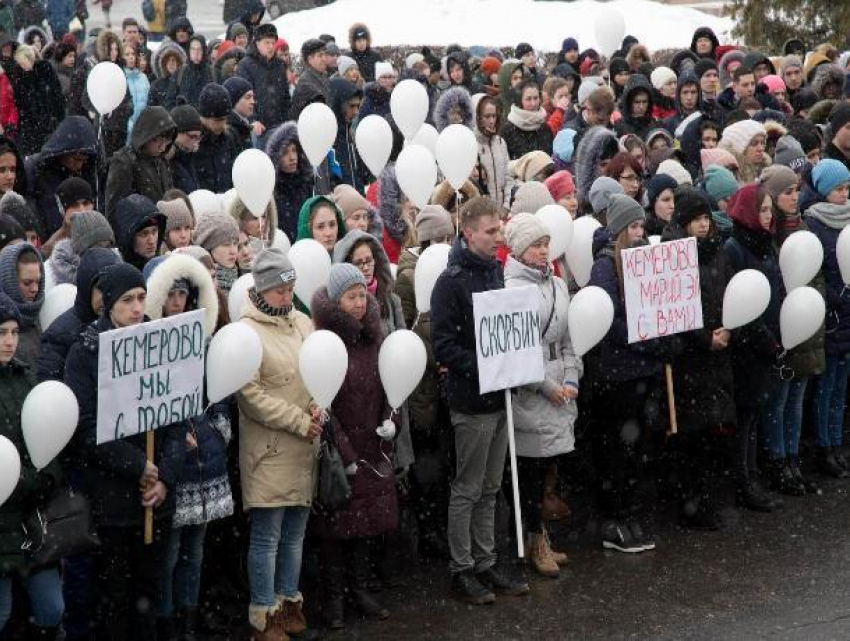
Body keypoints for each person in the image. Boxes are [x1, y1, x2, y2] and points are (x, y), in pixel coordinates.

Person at [64, 262, 185, 641]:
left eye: (142, 298)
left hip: (154, 504)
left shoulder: (159, 342)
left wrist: (164, 476)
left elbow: (177, 416)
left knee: (149, 595)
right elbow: (85, 427)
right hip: (111, 505)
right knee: (113, 601)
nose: (138, 308)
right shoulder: (85, 352)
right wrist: (138, 467)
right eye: (128, 300)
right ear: (109, 304)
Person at [431, 196, 529, 604]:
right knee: (468, 488)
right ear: (468, 232)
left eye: (499, 229)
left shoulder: (495, 271)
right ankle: (462, 568)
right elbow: (444, 346)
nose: (498, 236)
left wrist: (514, 362)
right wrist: (486, 364)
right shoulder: (450, 282)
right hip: (471, 401)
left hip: (498, 396)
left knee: (490, 487)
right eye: (491, 231)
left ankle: (486, 562)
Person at [142, 253, 231, 640]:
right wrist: (173, 442)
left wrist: (215, 430)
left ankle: (188, 621)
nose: (177, 301)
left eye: (184, 293)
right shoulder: (147, 344)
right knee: (169, 554)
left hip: (205, 455)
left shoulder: (202, 338)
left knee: (194, 551)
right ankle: (167, 622)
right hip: (170, 460)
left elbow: (218, 390)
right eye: (171, 293)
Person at [232, 248, 318, 639]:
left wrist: (319, 408)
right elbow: (251, 397)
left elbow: (320, 370)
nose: (288, 296)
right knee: (268, 536)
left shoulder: (303, 323)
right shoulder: (247, 333)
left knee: (295, 533)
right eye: (281, 290)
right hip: (269, 449)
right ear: (264, 290)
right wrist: (300, 420)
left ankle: (288, 603)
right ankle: (263, 613)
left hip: (303, 448)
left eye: (292, 288)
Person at [311, 263, 399, 628]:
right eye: (351, 296)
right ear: (336, 300)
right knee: (335, 528)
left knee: (363, 524)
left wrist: (389, 421)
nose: (360, 303)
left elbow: (388, 382)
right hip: (338, 449)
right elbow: (324, 402)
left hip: (370, 444)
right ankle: (334, 597)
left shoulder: (373, 337)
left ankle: (360, 589)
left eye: (363, 295)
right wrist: (344, 452)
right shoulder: (324, 341)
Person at [503, 213, 580, 576]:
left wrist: (572, 377)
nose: (543, 250)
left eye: (546, 242)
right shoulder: (510, 290)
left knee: (549, 467)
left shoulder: (558, 285)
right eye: (536, 244)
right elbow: (517, 350)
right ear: (519, 251)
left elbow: (568, 340)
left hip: (560, 384)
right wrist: (548, 387)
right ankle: (534, 541)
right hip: (530, 391)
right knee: (530, 475)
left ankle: (542, 536)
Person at [588, 194, 665, 552]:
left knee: (640, 448)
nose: (639, 232)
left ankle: (630, 512)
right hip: (619, 374)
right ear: (619, 229)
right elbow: (610, 321)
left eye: (641, 226)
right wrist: (645, 340)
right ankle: (613, 518)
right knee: (617, 450)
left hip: (645, 369)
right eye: (632, 226)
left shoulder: (645, 261)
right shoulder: (605, 267)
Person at [661, 188, 736, 529]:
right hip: (689, 357)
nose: (704, 225)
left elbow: (726, 294)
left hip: (716, 350)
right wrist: (705, 338)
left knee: (710, 432)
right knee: (690, 435)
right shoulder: (672, 253)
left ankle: (706, 499)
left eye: (706, 218)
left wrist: (726, 329)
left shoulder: (716, 251)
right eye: (697, 219)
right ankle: (690, 503)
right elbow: (678, 307)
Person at [0, 291, 64, 639]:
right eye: (1, 333)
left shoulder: (26, 378)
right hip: (3, 519)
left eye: (13, 332)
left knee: (52, 609)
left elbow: (48, 436)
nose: (10, 341)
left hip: (30, 521)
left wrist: (46, 475)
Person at [758, 166, 823, 494]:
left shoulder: (805, 228)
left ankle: (793, 459)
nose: (795, 196)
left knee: (796, 397)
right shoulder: (769, 236)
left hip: (803, 325)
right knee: (779, 400)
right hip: (779, 329)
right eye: (787, 191)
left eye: (797, 190)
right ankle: (777, 461)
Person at [724, 183, 783, 511]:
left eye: (769, 209)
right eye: (762, 209)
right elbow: (743, 306)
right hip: (748, 349)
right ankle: (744, 482)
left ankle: (753, 476)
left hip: (767, 344)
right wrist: (766, 340)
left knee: (756, 416)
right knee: (745, 419)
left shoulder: (766, 245)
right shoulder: (735, 248)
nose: (768, 215)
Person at [804, 159, 850, 479]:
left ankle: (836, 443)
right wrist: (837, 298)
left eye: (847, 188)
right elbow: (815, 273)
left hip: (848, 314)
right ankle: (824, 447)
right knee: (826, 386)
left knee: (840, 388)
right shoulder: (813, 224)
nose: (843, 194)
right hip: (832, 315)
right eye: (838, 189)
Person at [38, 245, 119, 383]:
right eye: (100, 289)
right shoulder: (59, 336)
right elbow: (51, 389)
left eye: (113, 288)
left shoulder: (126, 321)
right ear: (86, 287)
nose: (107, 296)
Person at [24, 116, 97, 239]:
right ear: (64, 152)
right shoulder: (35, 169)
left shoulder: (87, 171)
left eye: (84, 161)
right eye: (76, 159)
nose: (79, 165)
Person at [106, 106, 177, 222]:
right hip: (138, 231)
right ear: (145, 136)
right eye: (156, 140)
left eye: (167, 141)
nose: (162, 147)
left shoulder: (162, 160)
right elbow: (115, 210)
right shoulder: (124, 162)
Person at [237, 24, 290, 149]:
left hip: (279, 126)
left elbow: (285, 97)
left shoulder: (279, 65)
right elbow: (243, 97)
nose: (271, 47)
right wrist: (252, 120)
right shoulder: (246, 65)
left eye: (273, 43)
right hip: (258, 128)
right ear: (257, 43)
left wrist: (287, 121)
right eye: (267, 43)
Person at [8, 44, 66, 157]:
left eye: (22, 62)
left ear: (30, 58)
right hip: (29, 129)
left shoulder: (45, 69)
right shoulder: (19, 76)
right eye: (19, 63)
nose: (21, 65)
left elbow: (57, 96)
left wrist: (57, 118)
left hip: (48, 124)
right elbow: (20, 103)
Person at [266, 122, 314, 242]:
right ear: (276, 157)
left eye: (294, 150)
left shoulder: (306, 183)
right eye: (285, 152)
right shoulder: (271, 189)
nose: (292, 157)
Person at [0, 242, 44, 367]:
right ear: (9, 281)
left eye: (38, 282)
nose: (35, 289)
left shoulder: (42, 313)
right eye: (27, 283)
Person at [195, 83, 242, 193]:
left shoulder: (230, 138)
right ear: (204, 117)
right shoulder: (194, 143)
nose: (222, 124)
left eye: (225, 119)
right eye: (217, 120)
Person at [475, 95, 514, 211]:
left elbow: (508, 176)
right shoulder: (471, 144)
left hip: (502, 210)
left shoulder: (501, 143)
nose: (492, 121)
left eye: (494, 116)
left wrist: (506, 206)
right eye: (487, 116)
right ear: (478, 118)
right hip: (482, 212)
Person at [499, 78, 554, 160]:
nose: (533, 103)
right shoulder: (507, 130)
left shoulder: (545, 128)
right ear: (520, 101)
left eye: (536, 98)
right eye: (528, 99)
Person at [40, 176, 94, 258]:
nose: (82, 210)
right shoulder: (53, 247)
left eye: (86, 203)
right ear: (62, 210)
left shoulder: (105, 234)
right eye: (74, 205)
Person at [329, 77, 367, 190]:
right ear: (337, 104)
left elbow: (359, 176)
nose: (356, 112)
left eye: (358, 106)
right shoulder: (328, 139)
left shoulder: (350, 136)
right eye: (351, 106)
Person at [114, 194, 166, 271]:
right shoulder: (118, 274)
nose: (151, 241)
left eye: (154, 231)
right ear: (129, 239)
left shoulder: (165, 267)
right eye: (144, 234)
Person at [194, 212, 241, 294]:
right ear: (208, 247)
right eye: (226, 244)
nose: (233, 251)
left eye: (235, 243)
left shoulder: (244, 280)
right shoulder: (203, 290)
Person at [289, 38, 331, 122]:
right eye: (320, 55)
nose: (324, 59)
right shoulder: (306, 84)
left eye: (325, 55)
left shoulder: (322, 77)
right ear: (309, 59)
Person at [167, 104, 202, 194]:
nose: (195, 142)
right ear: (176, 133)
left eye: (198, 137)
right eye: (192, 136)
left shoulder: (189, 157)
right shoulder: (165, 160)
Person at [178, 35, 213, 109]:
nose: (196, 53)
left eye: (199, 49)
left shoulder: (213, 73)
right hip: (185, 118)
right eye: (193, 49)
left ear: (204, 50)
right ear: (189, 51)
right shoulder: (180, 73)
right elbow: (169, 100)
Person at [123, 42, 150, 141]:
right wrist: (130, 126)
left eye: (133, 54)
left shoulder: (143, 77)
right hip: (124, 130)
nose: (131, 57)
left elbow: (148, 103)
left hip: (142, 129)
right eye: (127, 54)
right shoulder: (120, 77)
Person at [148, 41, 186, 110]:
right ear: (163, 64)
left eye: (173, 60)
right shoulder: (156, 84)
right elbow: (151, 109)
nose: (171, 63)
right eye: (168, 60)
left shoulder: (185, 82)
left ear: (179, 63)